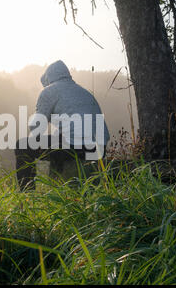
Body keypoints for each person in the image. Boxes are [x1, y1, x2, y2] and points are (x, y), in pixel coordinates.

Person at [15, 60, 110, 191]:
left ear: (48, 79)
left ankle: (27, 195)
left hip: (76, 147)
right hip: (99, 149)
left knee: (22, 146)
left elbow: (37, 127)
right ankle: (58, 188)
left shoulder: (49, 91)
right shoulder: (83, 92)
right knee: (58, 142)